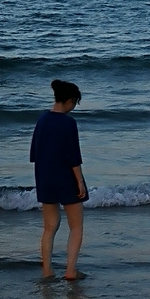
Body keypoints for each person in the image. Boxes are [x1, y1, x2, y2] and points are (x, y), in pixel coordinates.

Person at [30, 79, 88, 280]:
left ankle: (47, 271)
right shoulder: (68, 123)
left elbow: (34, 154)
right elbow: (73, 156)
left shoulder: (42, 119)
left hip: (45, 177)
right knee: (76, 225)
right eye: (75, 102)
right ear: (70, 100)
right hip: (65, 177)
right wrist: (79, 181)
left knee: (50, 226)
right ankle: (70, 270)